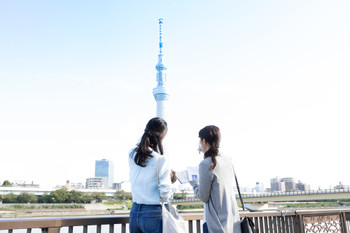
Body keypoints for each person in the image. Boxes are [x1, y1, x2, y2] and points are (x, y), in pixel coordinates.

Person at [190, 125, 242, 233]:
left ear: (204, 141)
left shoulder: (205, 164)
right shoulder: (228, 160)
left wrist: (194, 184)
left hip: (215, 225)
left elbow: (203, 197)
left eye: (200, 141)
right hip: (232, 223)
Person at [129, 117, 176, 233]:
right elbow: (165, 195)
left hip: (135, 212)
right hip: (154, 213)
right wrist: (170, 181)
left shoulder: (131, 154)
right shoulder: (161, 160)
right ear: (163, 137)